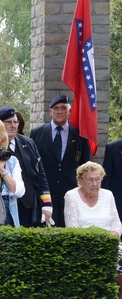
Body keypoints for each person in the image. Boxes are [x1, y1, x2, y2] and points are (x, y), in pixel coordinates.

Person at [64, 161, 122, 299]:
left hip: (110, 243)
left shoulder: (108, 195)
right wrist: (97, 240)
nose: (95, 183)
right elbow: (72, 228)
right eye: (90, 179)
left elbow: (117, 223)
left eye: (98, 179)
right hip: (84, 245)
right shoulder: (71, 196)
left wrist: (114, 234)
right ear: (81, 180)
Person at [29, 94, 91, 226]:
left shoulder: (80, 135)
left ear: (69, 111)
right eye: (56, 108)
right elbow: (31, 164)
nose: (59, 111)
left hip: (71, 192)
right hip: (45, 193)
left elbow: (86, 166)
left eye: (63, 108)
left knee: (69, 230)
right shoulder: (37, 134)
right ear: (50, 111)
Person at [0, 107, 53, 227]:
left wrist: (47, 204)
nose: (13, 125)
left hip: (28, 207)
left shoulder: (28, 143)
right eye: (8, 122)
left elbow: (41, 175)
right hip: (4, 208)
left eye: (15, 122)